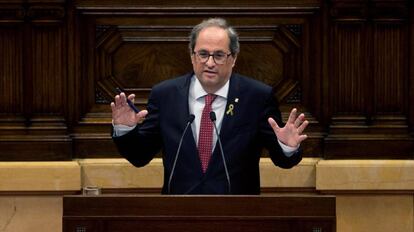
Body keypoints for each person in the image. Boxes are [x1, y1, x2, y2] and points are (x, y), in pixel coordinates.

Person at [111, 18, 308, 194]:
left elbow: (283, 161)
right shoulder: (165, 95)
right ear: (192, 56)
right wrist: (125, 129)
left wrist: (287, 148)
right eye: (203, 54)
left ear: (233, 58)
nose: (210, 63)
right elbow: (139, 156)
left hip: (239, 215)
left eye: (219, 55)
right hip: (178, 213)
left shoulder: (257, 97)